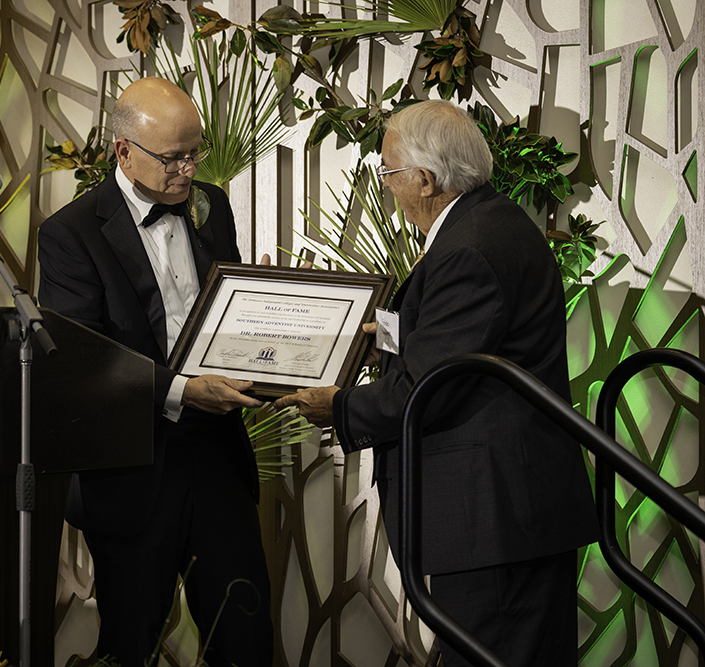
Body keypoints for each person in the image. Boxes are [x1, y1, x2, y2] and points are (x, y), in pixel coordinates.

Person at [274, 100, 599, 666]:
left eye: (388, 171)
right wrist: (381, 333)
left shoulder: (467, 249)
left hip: (491, 518)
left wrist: (339, 407)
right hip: (512, 513)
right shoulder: (492, 221)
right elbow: (465, 342)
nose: (387, 185)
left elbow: (432, 388)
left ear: (424, 180)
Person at [37, 77, 274, 667]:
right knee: (128, 643)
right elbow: (81, 358)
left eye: (195, 153)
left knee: (245, 638)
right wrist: (181, 391)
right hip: (132, 469)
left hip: (217, 456)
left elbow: (221, 314)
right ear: (124, 152)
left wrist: (262, 303)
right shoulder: (69, 234)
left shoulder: (211, 204)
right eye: (173, 158)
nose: (189, 170)